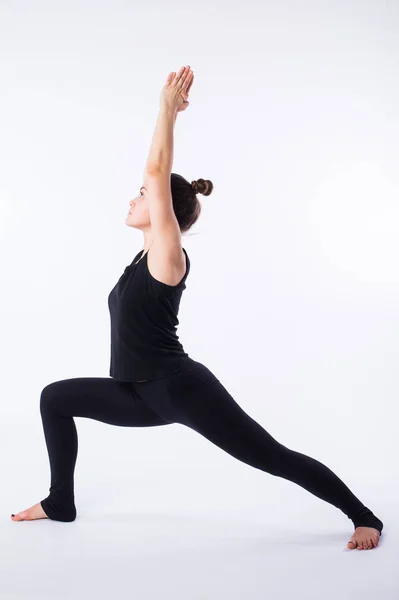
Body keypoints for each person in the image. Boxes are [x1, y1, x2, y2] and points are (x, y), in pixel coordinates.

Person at [11, 65, 383, 551]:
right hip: (137, 393)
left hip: (180, 390)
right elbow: (153, 184)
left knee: (271, 456)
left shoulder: (169, 256)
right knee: (54, 398)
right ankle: (62, 502)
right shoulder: (142, 256)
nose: (135, 196)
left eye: (144, 195)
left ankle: (364, 516)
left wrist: (167, 109)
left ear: (164, 209)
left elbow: (156, 172)